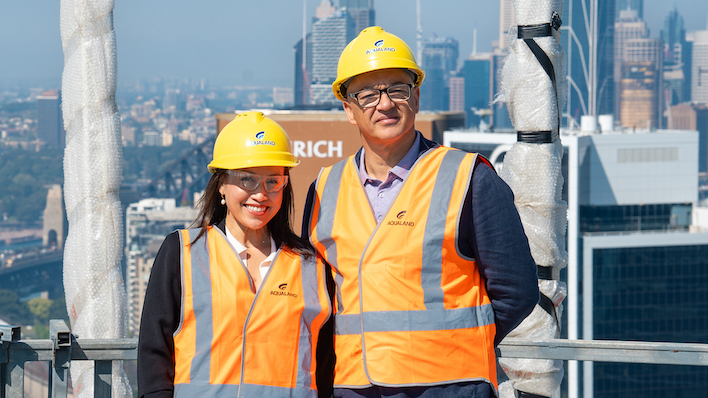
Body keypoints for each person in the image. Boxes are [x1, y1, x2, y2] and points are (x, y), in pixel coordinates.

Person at [302, 27, 540, 398]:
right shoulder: (323, 189)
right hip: (354, 387)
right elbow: (316, 296)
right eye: (367, 95)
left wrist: (455, 349)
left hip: (450, 386)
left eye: (397, 89)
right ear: (348, 109)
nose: (385, 104)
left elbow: (517, 290)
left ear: (416, 95)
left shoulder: (470, 179)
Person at [138, 111, 335, 398]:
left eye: (273, 181)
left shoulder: (311, 265)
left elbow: (326, 362)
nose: (260, 194)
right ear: (221, 184)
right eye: (247, 180)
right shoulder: (184, 253)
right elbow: (154, 355)